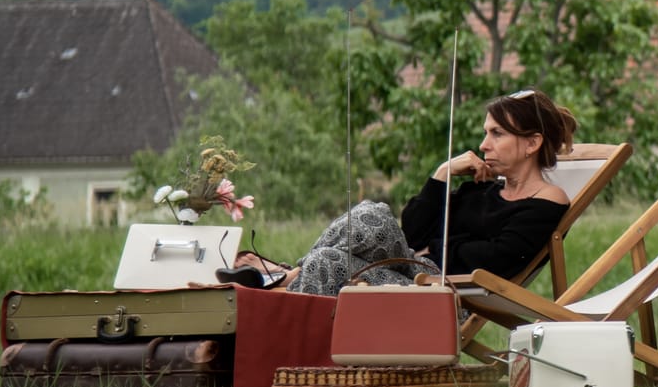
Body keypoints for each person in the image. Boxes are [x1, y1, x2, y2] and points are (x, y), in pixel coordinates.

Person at [236, 88, 576, 298]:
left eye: (498, 133)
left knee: (372, 215)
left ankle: (283, 274)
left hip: (443, 294)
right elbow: (412, 231)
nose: (484, 144)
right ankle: (293, 275)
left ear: (532, 143)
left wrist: (434, 249)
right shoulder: (481, 190)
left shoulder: (548, 202)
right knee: (328, 262)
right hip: (411, 276)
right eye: (486, 133)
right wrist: (442, 175)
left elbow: (497, 258)